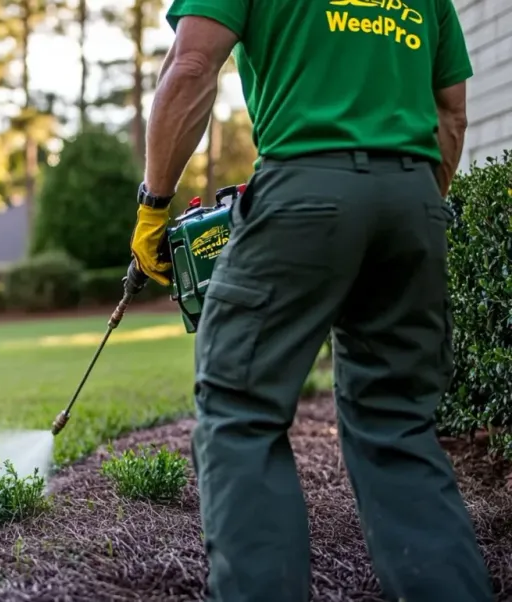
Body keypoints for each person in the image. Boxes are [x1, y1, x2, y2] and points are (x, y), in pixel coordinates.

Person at [127, 0, 495, 601]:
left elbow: (192, 65)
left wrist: (153, 205)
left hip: (303, 185)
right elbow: (450, 112)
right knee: (398, 424)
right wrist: (407, 212)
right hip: (414, 197)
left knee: (239, 409)